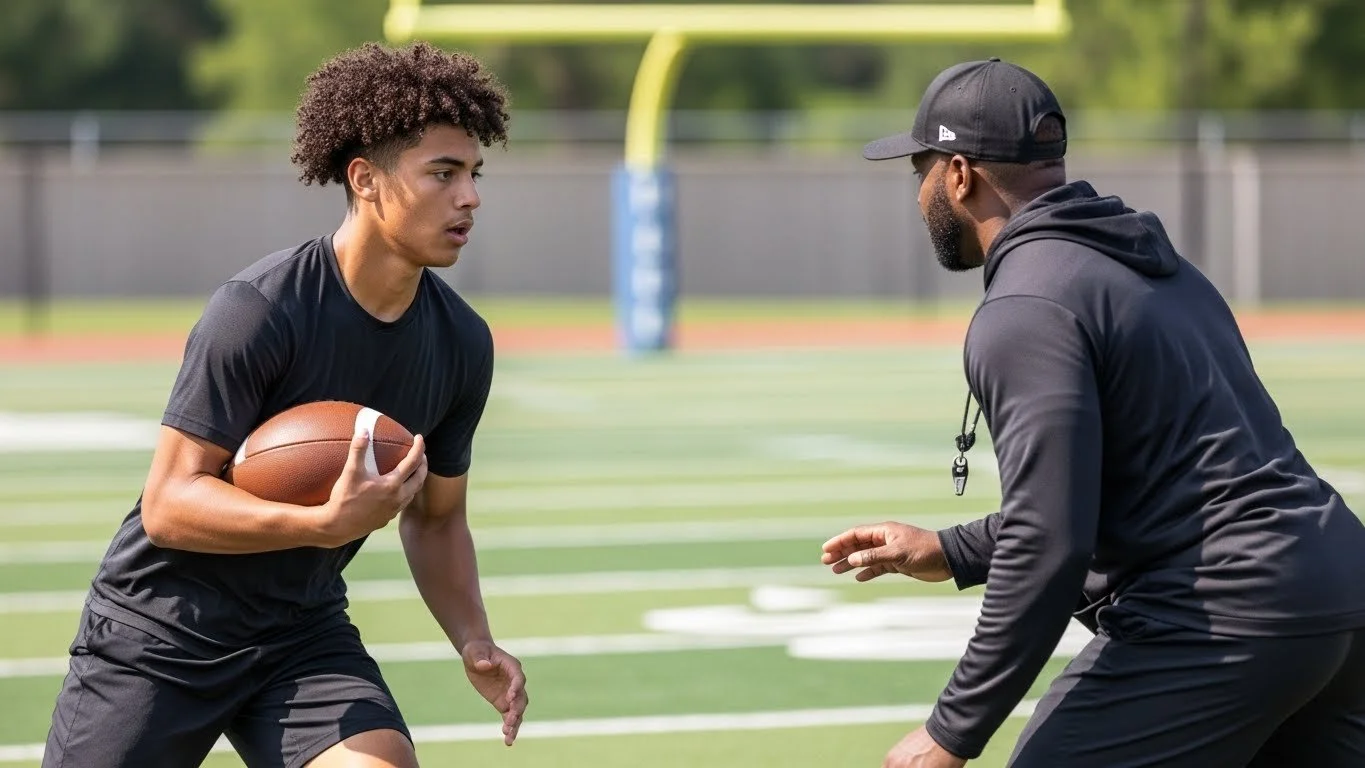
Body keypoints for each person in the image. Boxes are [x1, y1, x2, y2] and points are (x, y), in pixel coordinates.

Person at [821, 58, 1365, 767]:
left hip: (1224, 612)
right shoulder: (1148, 263)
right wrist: (950, 551)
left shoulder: (1025, 308)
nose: (917, 192)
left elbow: (1049, 539)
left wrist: (949, 732)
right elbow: (1146, 480)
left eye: (918, 170)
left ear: (958, 175)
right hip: (1335, 589)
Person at [42, 41, 528, 768]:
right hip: (162, 631)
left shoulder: (462, 343)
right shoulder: (259, 310)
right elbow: (169, 506)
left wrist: (473, 637)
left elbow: (436, 517)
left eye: (473, 174)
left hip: (299, 635)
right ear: (365, 179)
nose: (470, 197)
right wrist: (320, 523)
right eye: (443, 173)